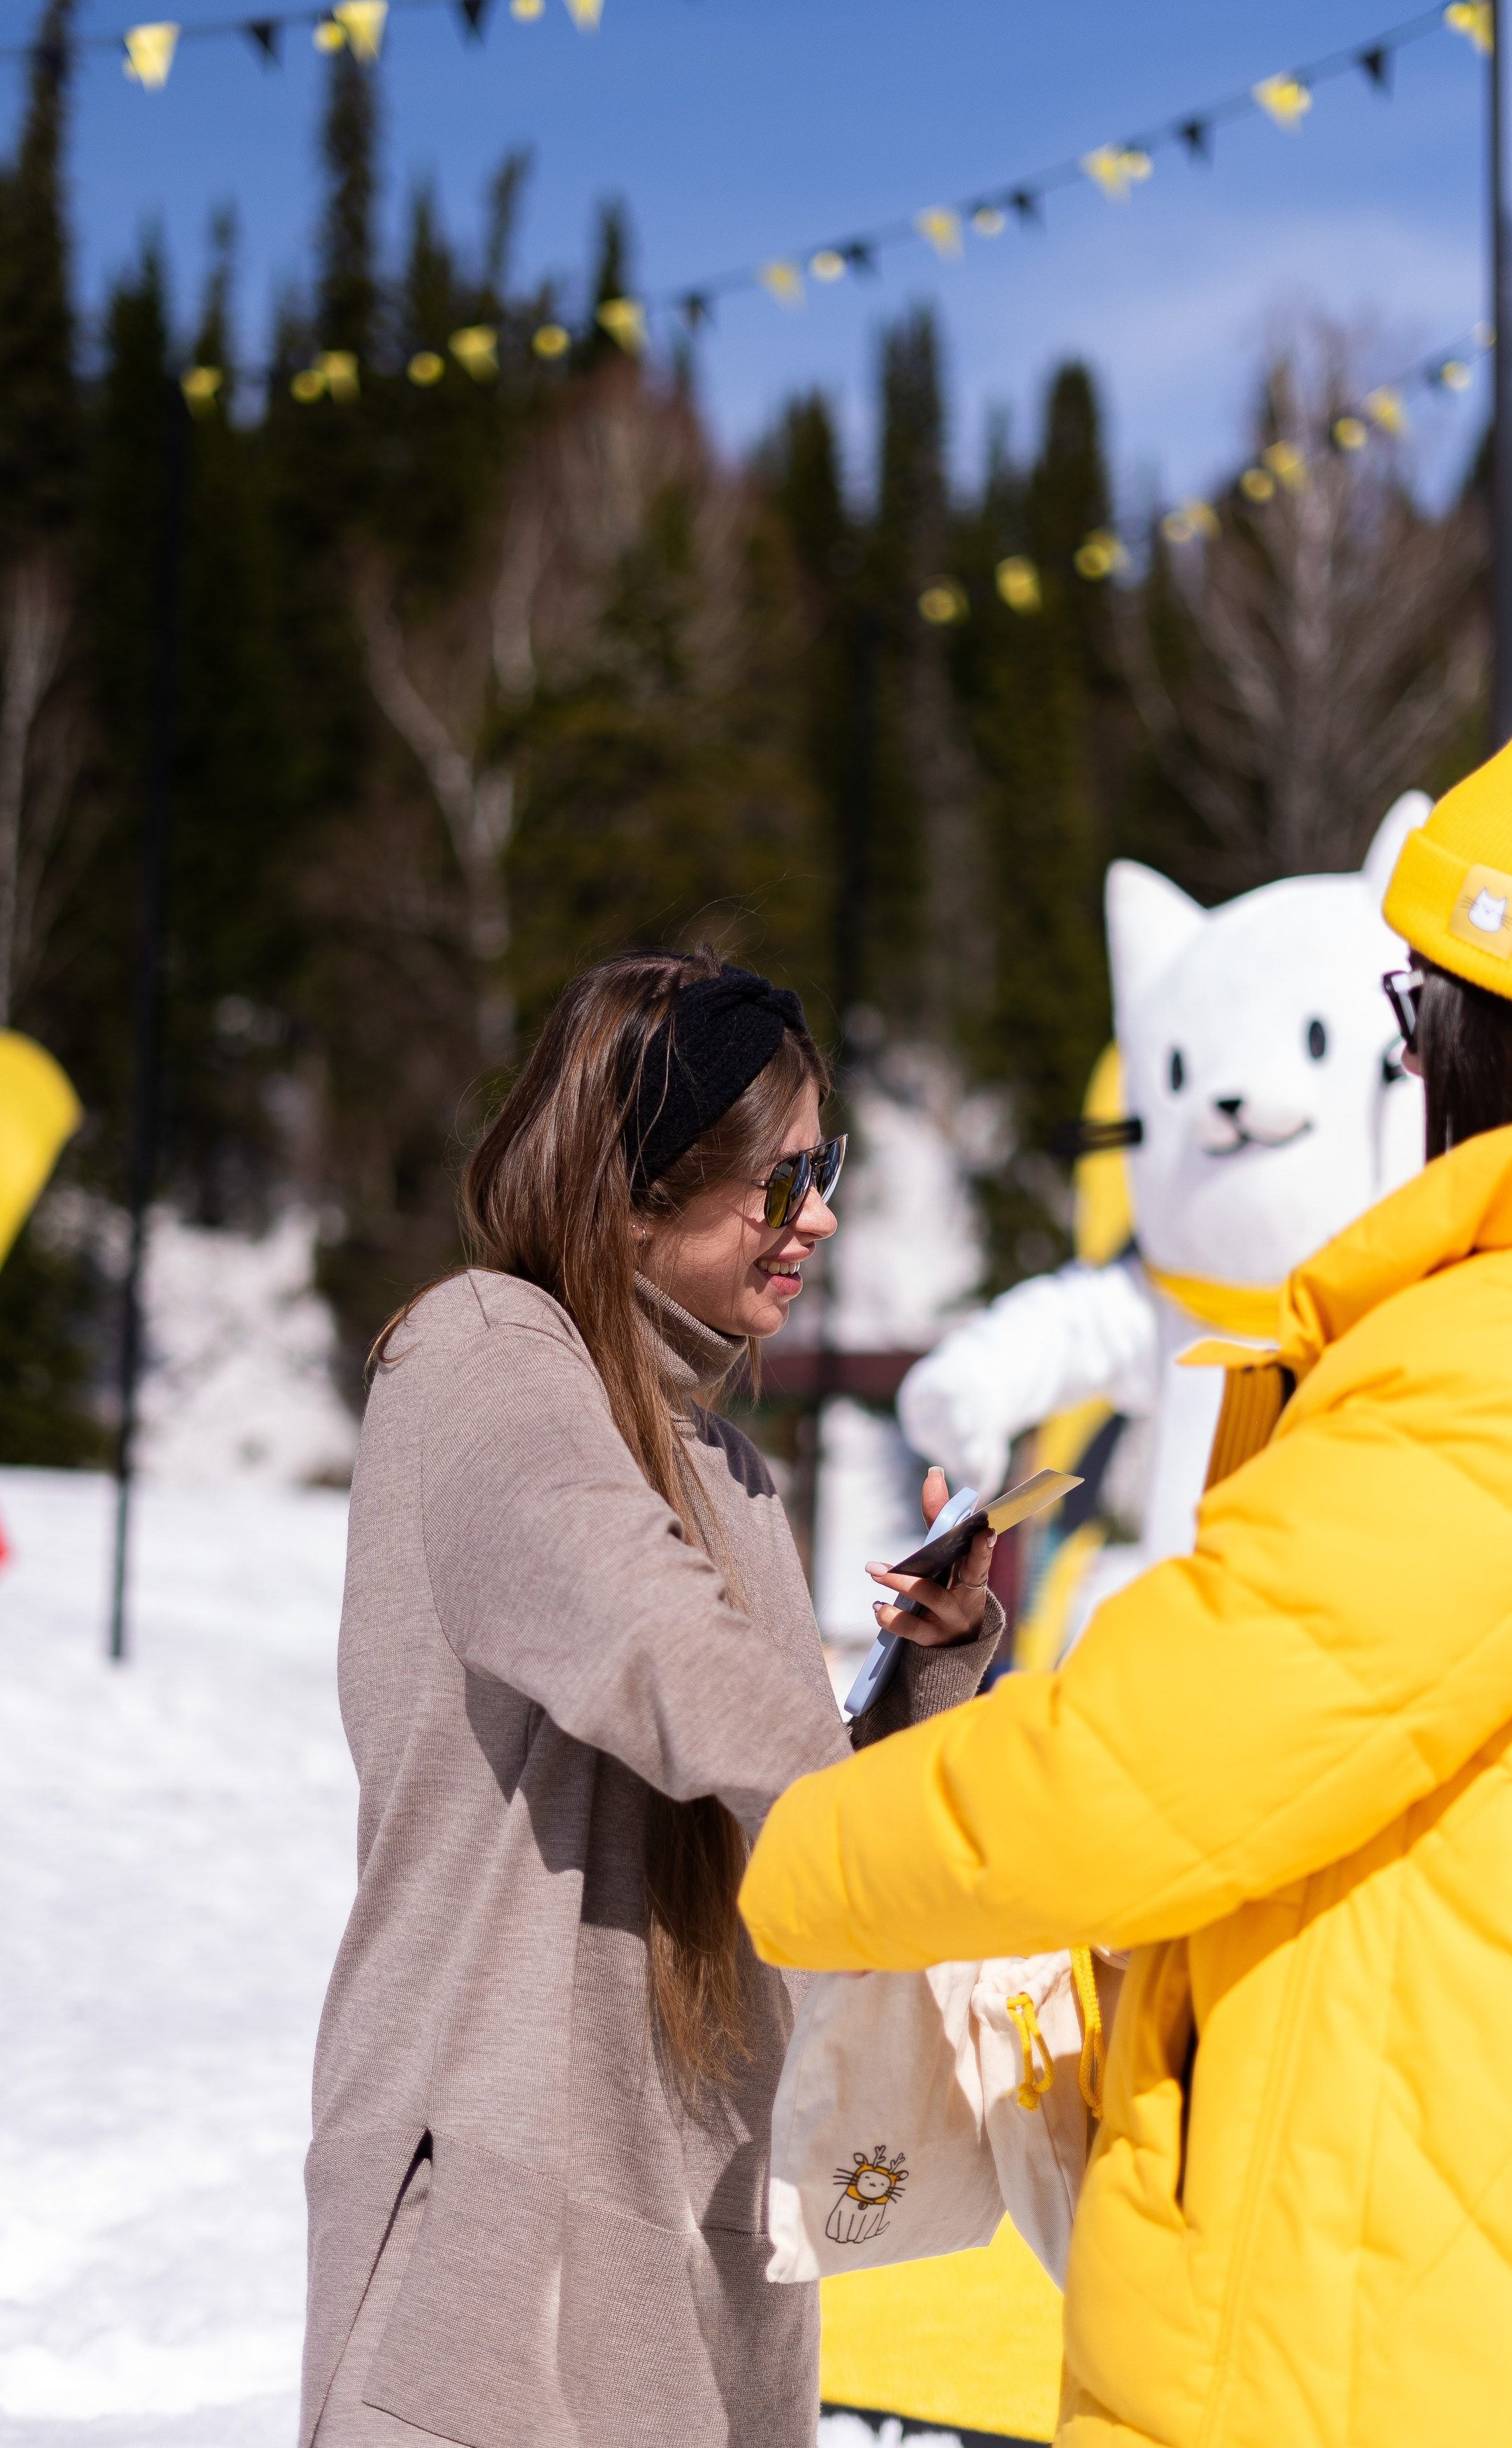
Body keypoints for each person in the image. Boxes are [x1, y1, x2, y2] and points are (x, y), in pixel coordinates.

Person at [738, 703, 1512, 2448]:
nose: (1410, 1072)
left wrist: (773, 1853)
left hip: (1364, 2332)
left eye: (1422, 1017)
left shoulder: (1511, 1362)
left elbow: (1144, 1768)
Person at [301, 949, 1005, 2448]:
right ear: (635, 1186)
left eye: (830, 1166)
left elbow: (769, 1816)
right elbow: (637, 1638)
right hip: (500, 2253)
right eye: (781, 1177)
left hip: (695, 2242)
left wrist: (925, 1680)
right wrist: (899, 1822)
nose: (817, 1214)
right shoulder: (479, 1359)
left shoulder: (720, 1462)